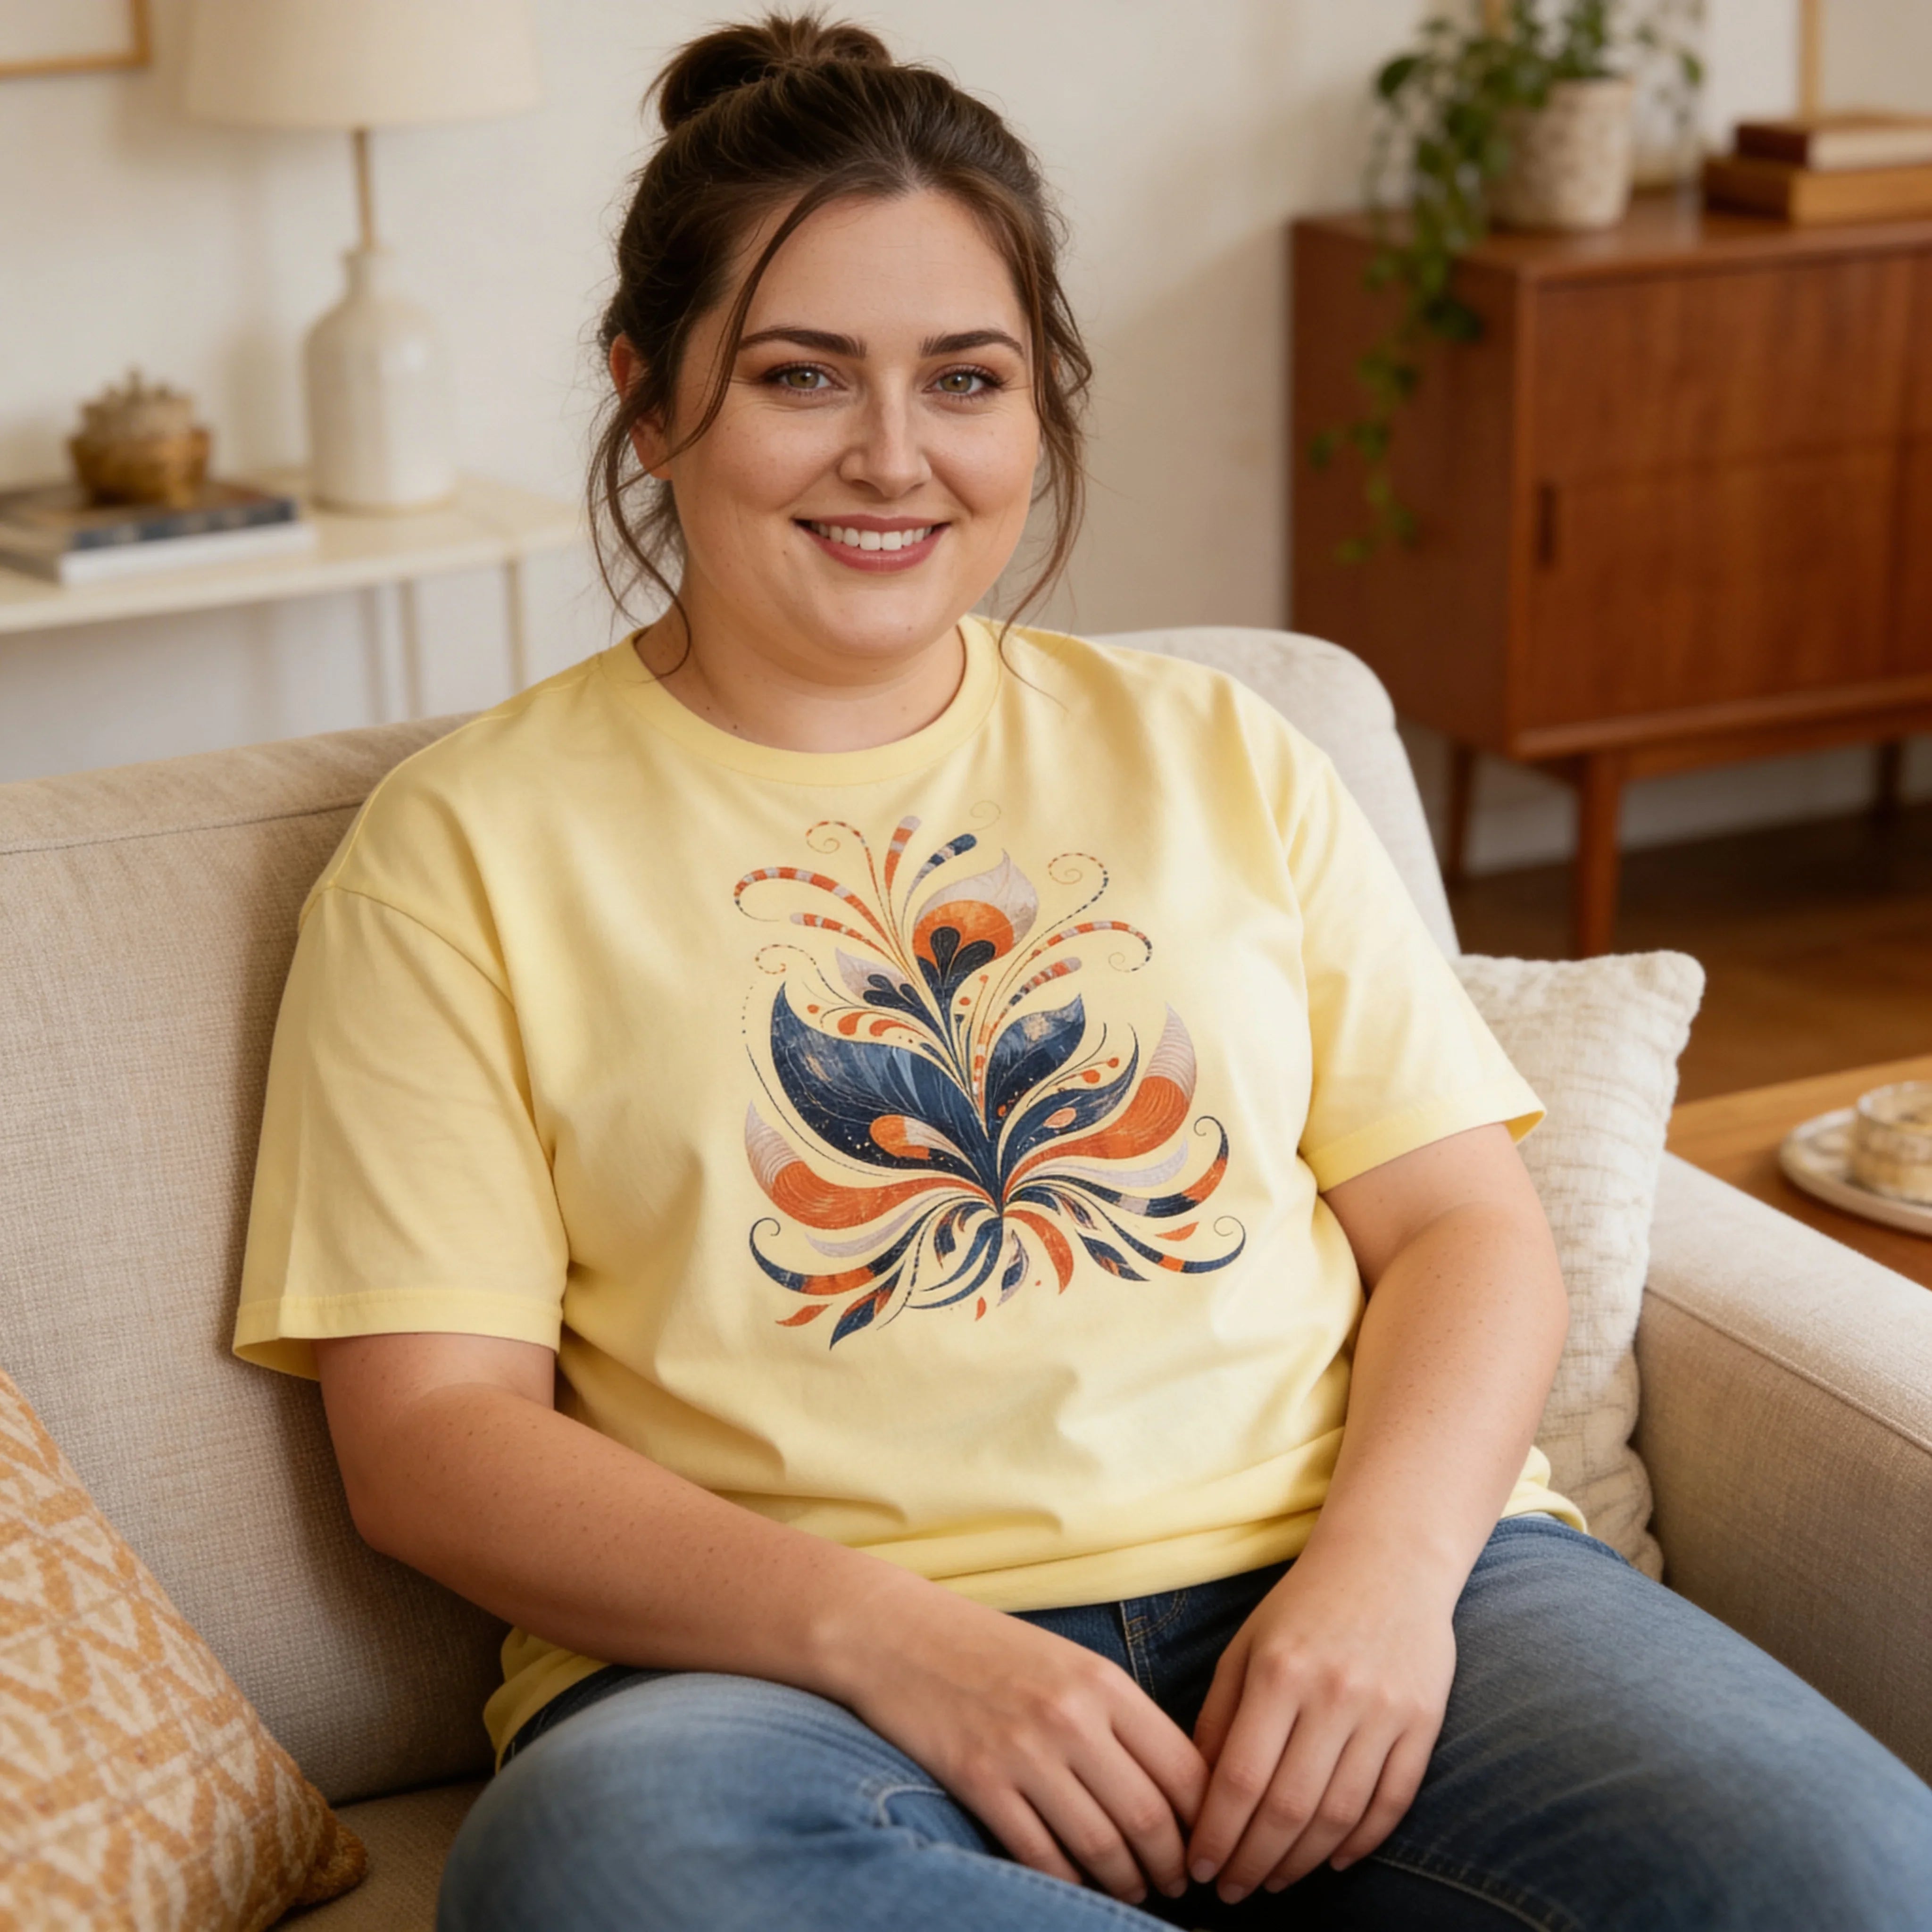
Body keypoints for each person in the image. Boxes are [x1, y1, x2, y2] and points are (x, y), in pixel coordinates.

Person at [232, 16, 1932, 1930]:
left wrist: (1381, 1585)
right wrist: (902, 1641)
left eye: (966, 379)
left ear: (1039, 409)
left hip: (1352, 1586)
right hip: (776, 1692)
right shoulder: (459, 852)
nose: (894, 456)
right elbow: (433, 1442)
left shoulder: (1220, 750)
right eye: (799, 375)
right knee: (604, 1874)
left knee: (1858, 1869)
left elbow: (1465, 1225)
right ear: (648, 396)